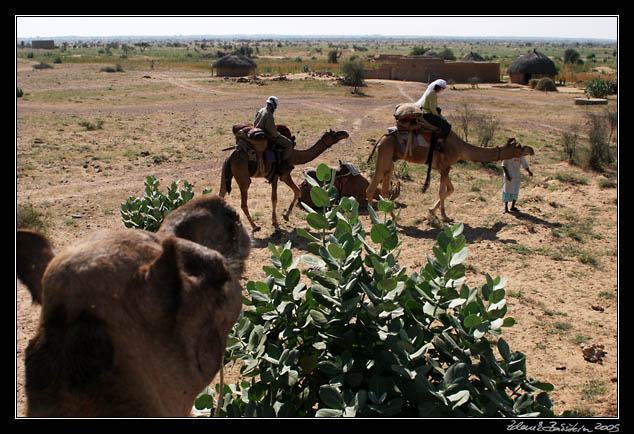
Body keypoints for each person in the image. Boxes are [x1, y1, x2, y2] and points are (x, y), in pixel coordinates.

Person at [254, 96, 295, 172]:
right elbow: (272, 131)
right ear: (273, 106)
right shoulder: (268, 114)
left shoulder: (261, 110)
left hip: (258, 133)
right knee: (288, 144)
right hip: (266, 136)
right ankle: (283, 164)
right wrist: (278, 134)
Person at [415, 79, 451, 150]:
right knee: (447, 126)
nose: (442, 90)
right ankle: (438, 143)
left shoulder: (431, 93)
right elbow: (432, 108)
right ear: (439, 87)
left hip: (426, 113)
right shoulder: (433, 94)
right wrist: (437, 116)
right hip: (428, 115)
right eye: (443, 88)